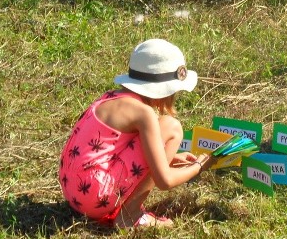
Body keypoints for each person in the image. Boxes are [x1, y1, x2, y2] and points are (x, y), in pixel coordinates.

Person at [58, 38, 212, 228]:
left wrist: (171, 158)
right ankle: (130, 215)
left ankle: (120, 211)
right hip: (95, 196)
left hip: (74, 192)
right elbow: (164, 181)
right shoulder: (144, 114)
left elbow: (112, 152)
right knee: (171, 127)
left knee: (163, 127)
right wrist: (199, 166)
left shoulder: (110, 97)